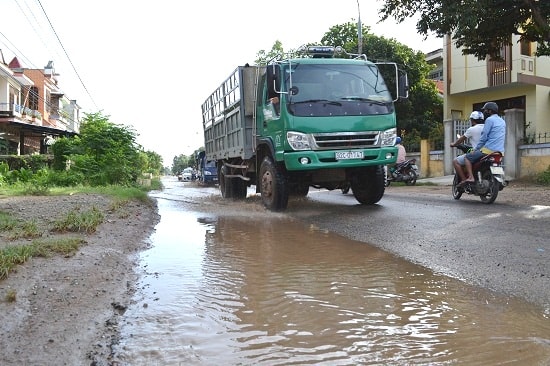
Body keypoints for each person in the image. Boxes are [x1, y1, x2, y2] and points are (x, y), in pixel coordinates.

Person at [461, 102, 506, 185]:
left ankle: (471, 177)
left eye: (485, 110)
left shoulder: (489, 120)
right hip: (500, 151)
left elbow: (484, 136)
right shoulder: (502, 121)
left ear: (489, 111)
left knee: (467, 158)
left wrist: (476, 149)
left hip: (488, 150)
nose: (484, 112)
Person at [450, 111, 485, 183]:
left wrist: (454, 144)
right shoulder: (487, 128)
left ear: (472, 120)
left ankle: (464, 180)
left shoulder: (472, 129)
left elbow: (461, 139)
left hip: (477, 152)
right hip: (488, 151)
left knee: (455, 161)